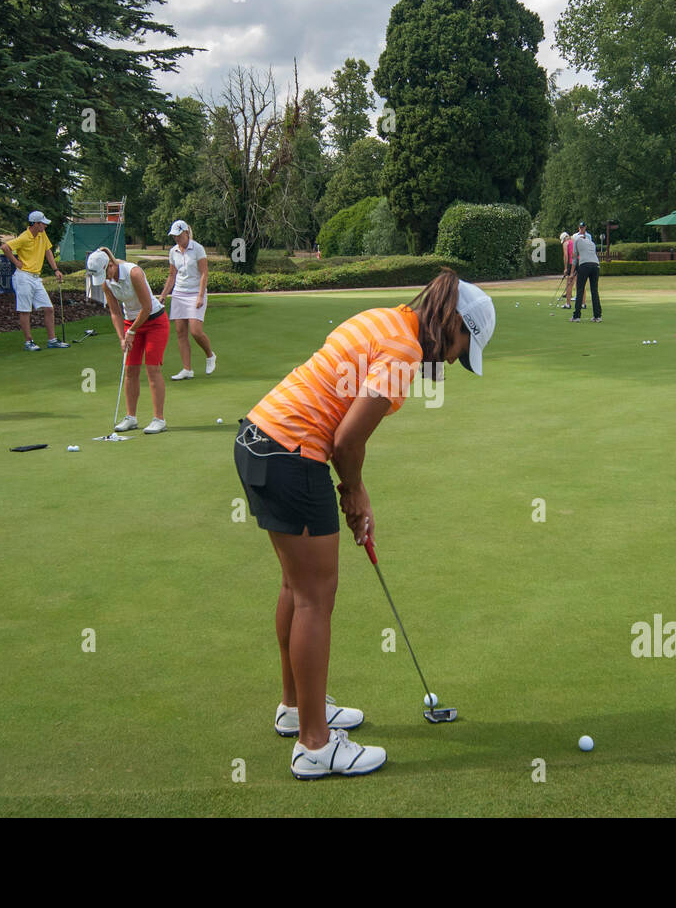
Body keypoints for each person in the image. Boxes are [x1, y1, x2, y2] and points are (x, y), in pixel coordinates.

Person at [234, 269, 495, 779]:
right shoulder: (403, 353)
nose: (452, 359)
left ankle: (296, 708)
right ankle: (315, 746)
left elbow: (343, 429)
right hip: (293, 454)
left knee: (296, 586)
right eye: (462, 348)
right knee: (315, 597)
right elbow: (347, 441)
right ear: (454, 324)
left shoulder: (386, 321)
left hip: (259, 440)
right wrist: (352, 491)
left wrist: (357, 490)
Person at [85, 247, 169, 434]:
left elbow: (146, 307)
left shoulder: (134, 273)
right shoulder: (107, 283)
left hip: (155, 321)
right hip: (131, 324)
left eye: (106, 272)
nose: (105, 277)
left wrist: (131, 331)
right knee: (130, 369)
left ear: (111, 264)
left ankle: (159, 419)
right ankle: (131, 417)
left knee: (152, 368)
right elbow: (115, 312)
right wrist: (122, 337)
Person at [1, 210, 69, 351]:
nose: (45, 226)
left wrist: (56, 269)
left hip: (36, 278)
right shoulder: (24, 237)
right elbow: (5, 247)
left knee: (49, 309)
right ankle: (29, 342)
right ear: (36, 224)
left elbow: (48, 251)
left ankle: (52, 340)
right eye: (43, 223)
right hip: (23, 277)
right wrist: (16, 262)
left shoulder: (41, 234)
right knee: (25, 310)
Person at [157, 219, 216, 380]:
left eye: (178, 235)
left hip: (196, 293)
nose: (176, 238)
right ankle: (187, 369)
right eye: (174, 236)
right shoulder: (173, 251)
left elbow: (204, 273)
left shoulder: (198, 249)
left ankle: (210, 355)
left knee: (195, 331)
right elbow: (172, 275)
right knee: (180, 332)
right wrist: (163, 295)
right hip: (179, 294)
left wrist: (200, 295)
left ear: (186, 233)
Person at [570, 221, 601, 322]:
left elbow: (575, 259)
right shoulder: (591, 242)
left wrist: (571, 273)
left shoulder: (576, 241)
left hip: (585, 265)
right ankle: (597, 316)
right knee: (594, 291)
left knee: (580, 290)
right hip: (596, 265)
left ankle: (576, 316)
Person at [558, 231, 575, 307]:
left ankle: (568, 304)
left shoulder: (566, 243)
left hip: (572, 264)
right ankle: (582, 303)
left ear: (564, 238)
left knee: (569, 284)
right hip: (579, 263)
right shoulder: (574, 241)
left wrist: (565, 268)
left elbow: (566, 256)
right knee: (579, 284)